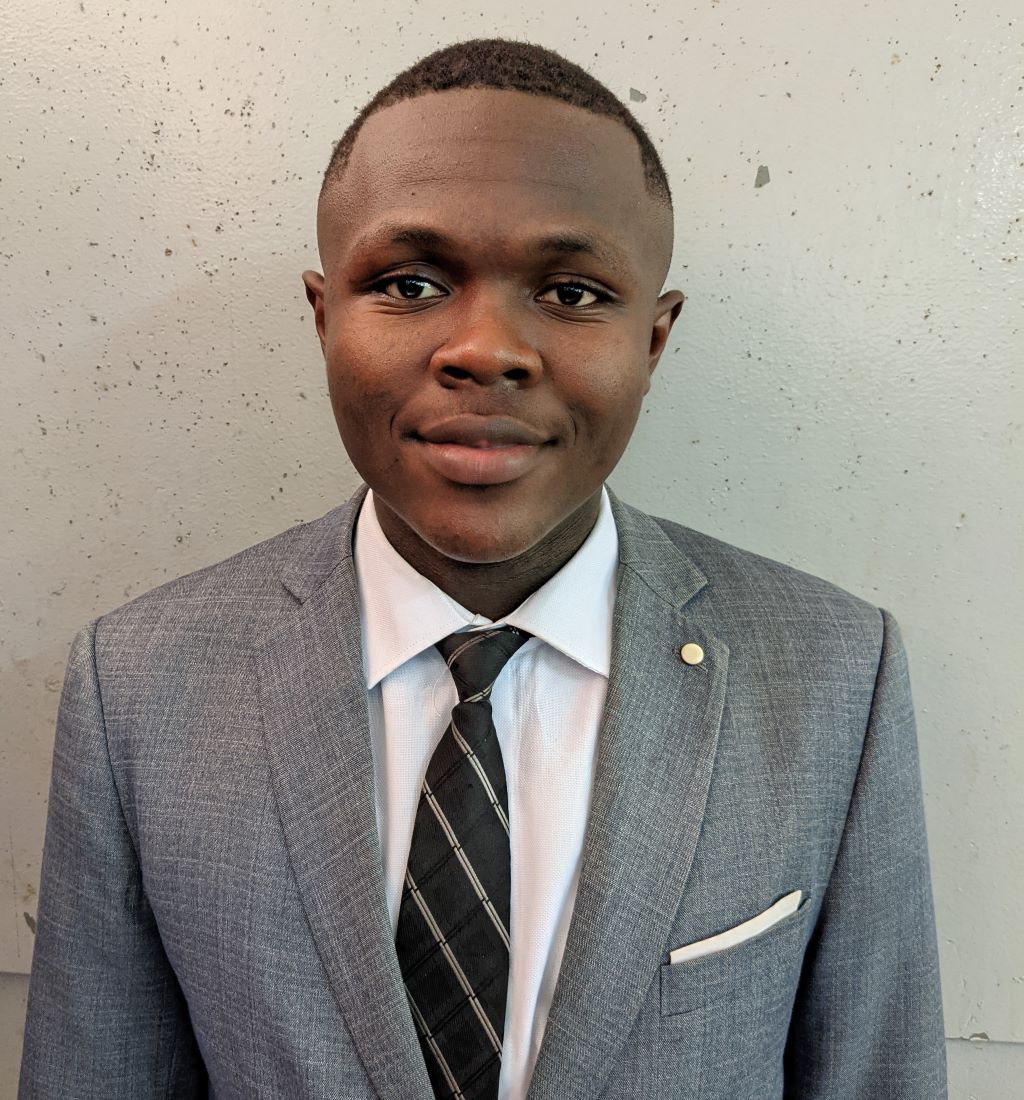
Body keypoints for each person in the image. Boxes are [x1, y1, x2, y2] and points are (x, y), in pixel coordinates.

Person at [19, 37, 946, 1100]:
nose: (486, 348)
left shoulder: (834, 673)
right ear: (324, 317)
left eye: (572, 292)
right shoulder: (140, 686)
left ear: (654, 338)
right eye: (410, 282)